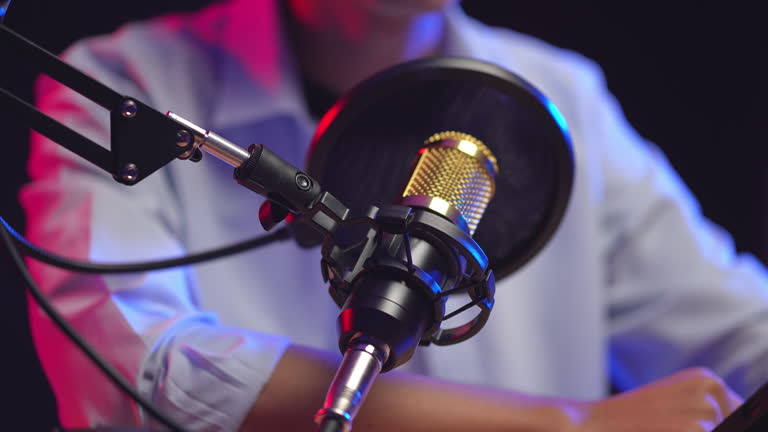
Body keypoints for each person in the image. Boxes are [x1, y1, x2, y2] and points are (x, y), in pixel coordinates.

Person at [21, 0, 768, 430]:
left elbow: (746, 337)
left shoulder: (562, 98)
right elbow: (141, 369)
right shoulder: (125, 89)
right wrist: (570, 426)